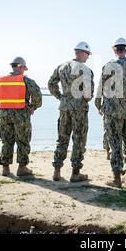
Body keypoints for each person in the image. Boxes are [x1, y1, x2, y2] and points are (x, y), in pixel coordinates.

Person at [95, 38, 126, 188]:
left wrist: (98, 105)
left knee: (115, 144)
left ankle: (116, 178)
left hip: (113, 112)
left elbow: (101, 87)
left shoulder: (108, 66)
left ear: (114, 50)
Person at [0, 56, 42, 176]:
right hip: (21, 115)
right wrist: (32, 107)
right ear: (21, 67)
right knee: (23, 140)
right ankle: (22, 168)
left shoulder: (0, 80)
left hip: (4, 114)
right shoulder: (25, 80)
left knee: (6, 140)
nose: (24, 71)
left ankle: (5, 168)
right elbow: (38, 95)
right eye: (24, 68)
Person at [48, 42, 94, 182]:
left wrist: (60, 97)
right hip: (79, 108)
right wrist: (86, 99)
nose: (87, 58)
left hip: (64, 107)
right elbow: (89, 92)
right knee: (78, 140)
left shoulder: (61, 67)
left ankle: (57, 170)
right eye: (87, 55)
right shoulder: (85, 69)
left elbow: (51, 83)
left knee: (62, 138)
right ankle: (75, 173)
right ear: (83, 53)